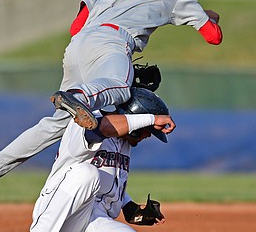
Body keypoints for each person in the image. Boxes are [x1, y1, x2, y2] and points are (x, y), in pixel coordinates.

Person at [0, 0, 221, 208]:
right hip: (114, 43)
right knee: (119, 91)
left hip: (78, 45)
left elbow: (77, 26)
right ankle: (81, 97)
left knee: (56, 126)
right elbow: (213, 36)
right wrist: (206, 16)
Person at [30, 87, 175, 232]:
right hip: (63, 214)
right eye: (148, 130)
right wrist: (151, 119)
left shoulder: (124, 143)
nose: (149, 135)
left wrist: (130, 207)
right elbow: (102, 128)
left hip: (95, 220)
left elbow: (109, 180)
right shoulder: (86, 121)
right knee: (86, 173)